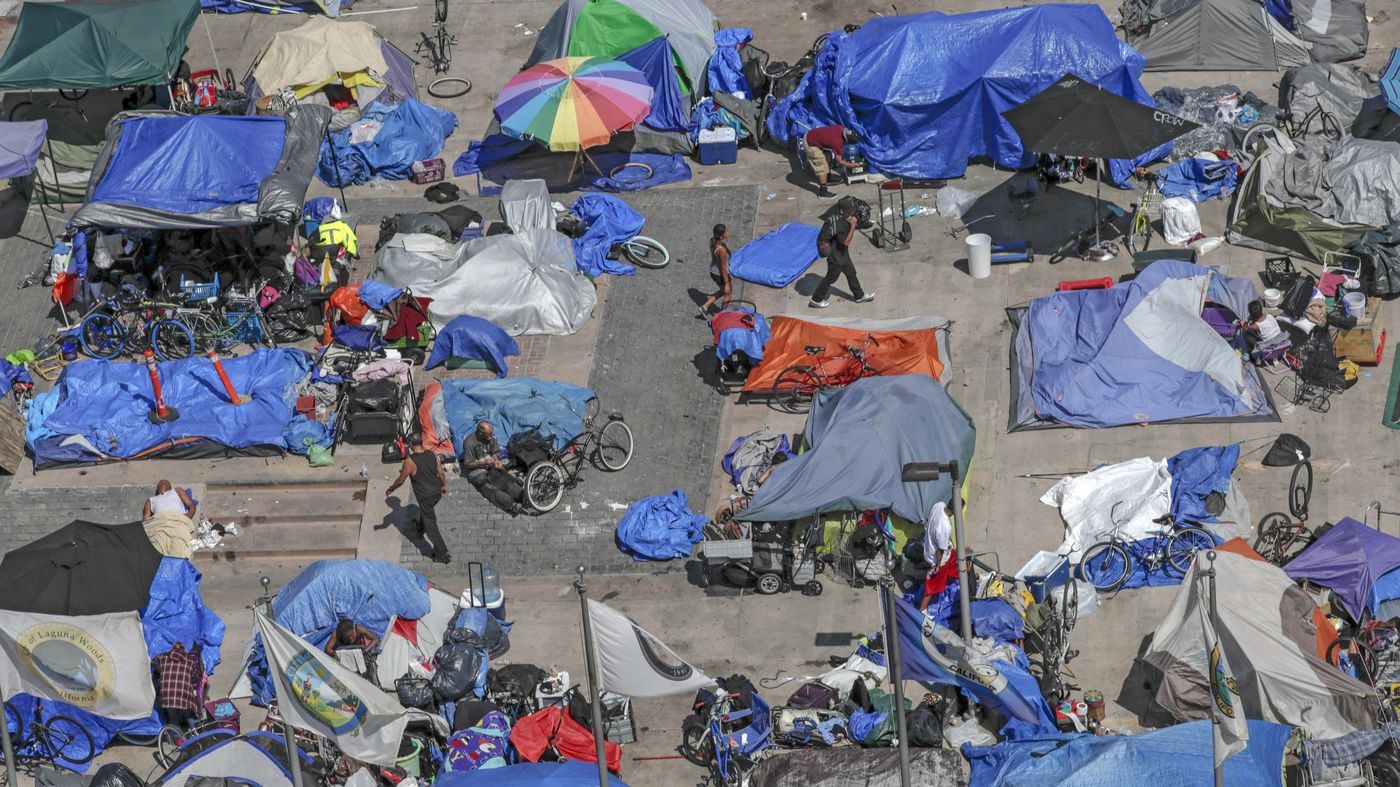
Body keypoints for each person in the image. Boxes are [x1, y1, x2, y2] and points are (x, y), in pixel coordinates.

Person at [387, 433, 452, 564]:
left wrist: (391, 489)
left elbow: (400, 480)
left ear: (410, 444)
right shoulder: (432, 454)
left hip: (425, 497)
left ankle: (443, 553)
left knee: (431, 526)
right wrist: (443, 485)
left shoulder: (410, 461)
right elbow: (441, 472)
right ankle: (421, 527)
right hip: (436, 493)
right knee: (426, 513)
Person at [810, 202, 873, 308]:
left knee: (851, 272)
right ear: (842, 211)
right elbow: (846, 242)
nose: (851, 213)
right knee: (830, 278)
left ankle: (859, 295)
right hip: (837, 256)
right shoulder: (840, 225)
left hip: (842, 252)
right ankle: (816, 299)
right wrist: (853, 226)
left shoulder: (837, 218)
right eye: (849, 211)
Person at [463, 421, 525, 515]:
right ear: (481, 433)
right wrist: (482, 463)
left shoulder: (492, 436)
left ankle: (521, 494)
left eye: (492, 433)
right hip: (477, 471)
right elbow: (467, 464)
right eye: (489, 434)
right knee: (488, 487)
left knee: (503, 478)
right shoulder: (469, 442)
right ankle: (511, 505)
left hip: (490, 466)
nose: (492, 435)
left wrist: (496, 460)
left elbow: (496, 453)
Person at [152, 642, 202, 728]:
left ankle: (178, 739)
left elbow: (153, 663)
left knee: (173, 719)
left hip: (168, 697)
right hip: (184, 696)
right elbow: (195, 678)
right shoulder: (190, 662)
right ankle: (197, 733)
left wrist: (163, 672)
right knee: (189, 715)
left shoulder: (162, 657)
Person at [804, 124, 860, 199]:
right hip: (810, 143)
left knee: (828, 157)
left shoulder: (840, 128)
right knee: (822, 166)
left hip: (813, 136)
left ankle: (828, 179)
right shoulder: (837, 142)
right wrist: (851, 165)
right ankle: (822, 192)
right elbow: (840, 162)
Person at [700, 224, 732, 315]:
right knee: (728, 292)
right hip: (720, 274)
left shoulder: (713, 241)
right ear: (721, 236)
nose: (728, 231)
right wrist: (726, 283)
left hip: (713, 271)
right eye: (726, 231)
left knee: (723, 291)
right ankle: (722, 315)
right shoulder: (722, 250)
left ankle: (705, 307)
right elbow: (723, 268)